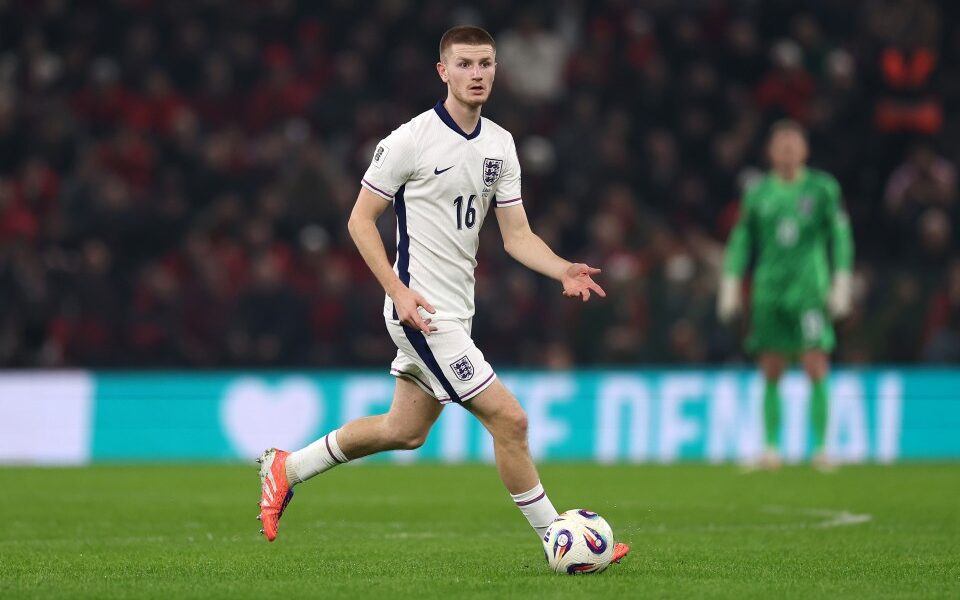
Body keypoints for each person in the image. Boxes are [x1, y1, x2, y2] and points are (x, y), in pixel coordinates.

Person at [256, 25, 629, 562]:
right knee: (511, 420)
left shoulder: (501, 144)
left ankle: (286, 469)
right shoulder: (410, 139)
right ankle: (559, 539)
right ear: (443, 71)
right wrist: (398, 292)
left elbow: (517, 235)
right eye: (465, 64)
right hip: (421, 312)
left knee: (404, 430)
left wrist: (563, 269)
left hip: (457, 310)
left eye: (486, 64)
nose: (477, 74)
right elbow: (360, 221)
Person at [718, 119, 854, 469]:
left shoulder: (823, 189)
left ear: (805, 150)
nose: (788, 150)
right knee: (772, 366)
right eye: (782, 144)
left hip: (809, 290)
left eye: (794, 144)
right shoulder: (758, 192)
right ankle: (770, 448)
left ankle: (823, 448)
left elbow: (839, 235)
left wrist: (841, 279)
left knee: (815, 361)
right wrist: (731, 282)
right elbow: (742, 239)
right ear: (770, 152)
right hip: (769, 291)